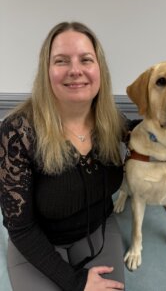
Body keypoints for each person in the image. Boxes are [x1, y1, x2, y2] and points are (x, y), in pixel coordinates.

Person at [0, 21, 127, 291]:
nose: (75, 70)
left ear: (99, 69)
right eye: (61, 61)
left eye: (86, 59)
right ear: (46, 72)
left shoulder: (114, 121)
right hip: (36, 243)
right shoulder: (17, 132)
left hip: (98, 231)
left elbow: (152, 138)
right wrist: (76, 282)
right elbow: (20, 228)